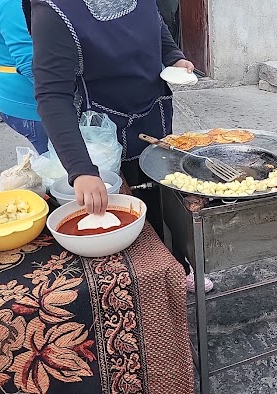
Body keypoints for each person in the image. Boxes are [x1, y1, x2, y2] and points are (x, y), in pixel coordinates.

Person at [29, 0, 212, 292]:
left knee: (166, 202)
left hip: (154, 117)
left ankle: (179, 267)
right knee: (120, 220)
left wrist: (173, 56)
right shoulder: (54, 11)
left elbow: (156, 26)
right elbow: (52, 96)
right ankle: (143, 293)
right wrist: (81, 169)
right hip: (101, 138)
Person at [0, 0, 48, 153]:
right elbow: (29, 62)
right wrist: (69, 99)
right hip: (30, 101)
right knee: (63, 168)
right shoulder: (10, 3)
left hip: (13, 94)